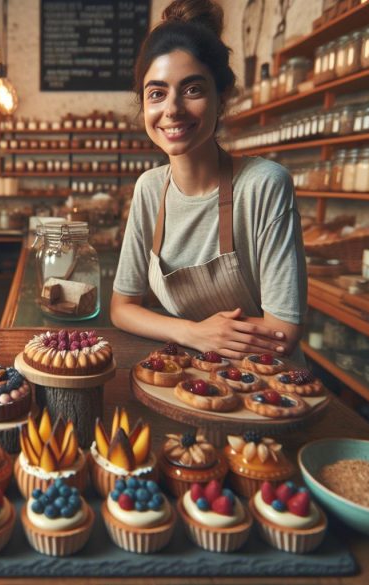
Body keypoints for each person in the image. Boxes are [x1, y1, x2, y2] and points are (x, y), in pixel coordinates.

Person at [111, 0, 307, 361]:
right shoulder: (149, 188)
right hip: (184, 377)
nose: (171, 109)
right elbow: (122, 307)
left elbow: (282, 332)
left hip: (266, 387)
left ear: (222, 98)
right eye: (156, 93)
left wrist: (204, 338)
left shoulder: (264, 185)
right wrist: (194, 333)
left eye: (192, 89)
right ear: (144, 105)